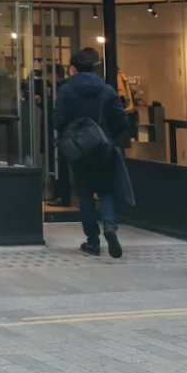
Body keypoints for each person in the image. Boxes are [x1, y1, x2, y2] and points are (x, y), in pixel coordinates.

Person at [52, 47, 128, 258]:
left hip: (79, 150)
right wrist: (111, 138)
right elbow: (121, 119)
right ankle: (110, 227)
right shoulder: (106, 90)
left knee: (84, 194)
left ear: (73, 68)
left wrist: (69, 134)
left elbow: (57, 119)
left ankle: (92, 241)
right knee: (106, 190)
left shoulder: (66, 91)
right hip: (103, 147)